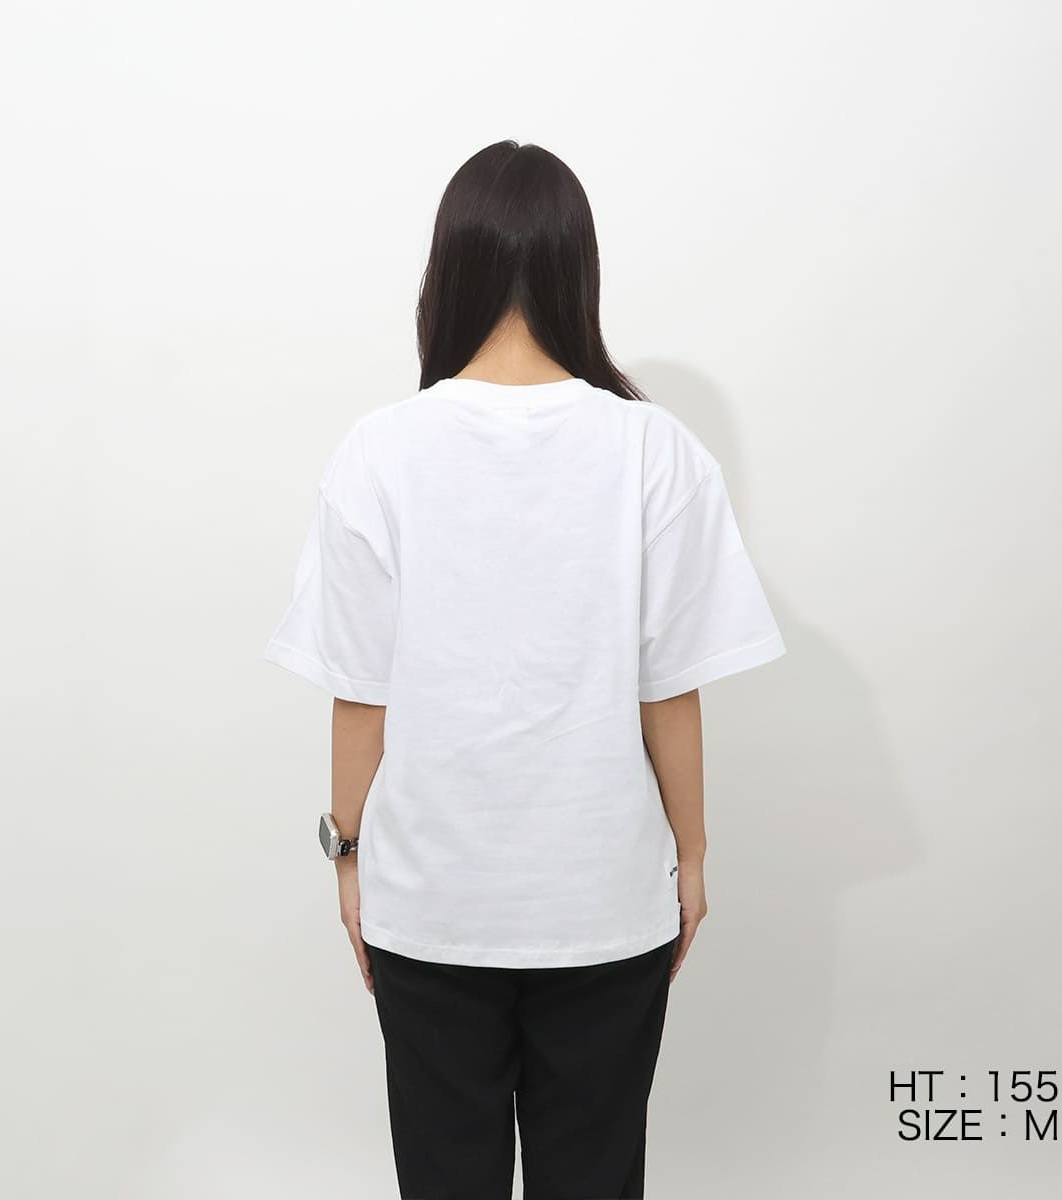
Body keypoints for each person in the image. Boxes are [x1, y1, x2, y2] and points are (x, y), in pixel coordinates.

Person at [264, 140, 786, 1200]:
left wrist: (349, 860)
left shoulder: (379, 451)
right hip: (604, 900)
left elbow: (360, 695)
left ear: (446, 271)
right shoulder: (656, 452)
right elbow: (669, 692)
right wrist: (689, 859)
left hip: (430, 903)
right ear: (576, 269)